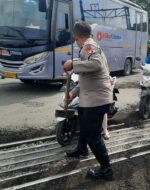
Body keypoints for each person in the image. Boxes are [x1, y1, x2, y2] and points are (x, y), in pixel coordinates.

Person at [63, 21, 113, 180]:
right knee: (83, 123)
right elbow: (87, 79)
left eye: (75, 39)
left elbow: (96, 65)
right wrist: (72, 93)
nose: (75, 42)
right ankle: (81, 149)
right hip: (92, 97)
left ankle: (106, 170)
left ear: (76, 36)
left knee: (93, 136)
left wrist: (73, 63)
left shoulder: (89, 46)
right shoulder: (88, 47)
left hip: (96, 100)